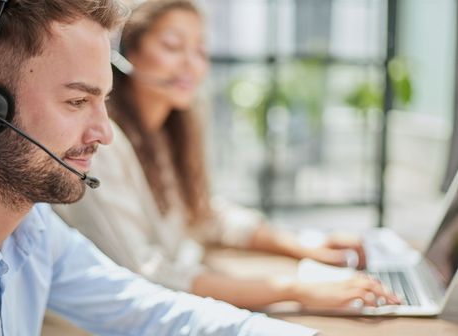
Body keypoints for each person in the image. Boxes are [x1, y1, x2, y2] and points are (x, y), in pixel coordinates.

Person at [0, 0, 408, 336]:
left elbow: (153, 310)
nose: (104, 133)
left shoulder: (34, 233)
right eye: (77, 101)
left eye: (102, 100)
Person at [54, 0, 399, 312]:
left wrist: (305, 246)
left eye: (201, 50)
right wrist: (295, 289)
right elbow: (146, 274)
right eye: (173, 46)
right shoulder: (99, 147)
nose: (192, 64)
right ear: (125, 51)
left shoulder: (167, 131)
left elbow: (204, 214)